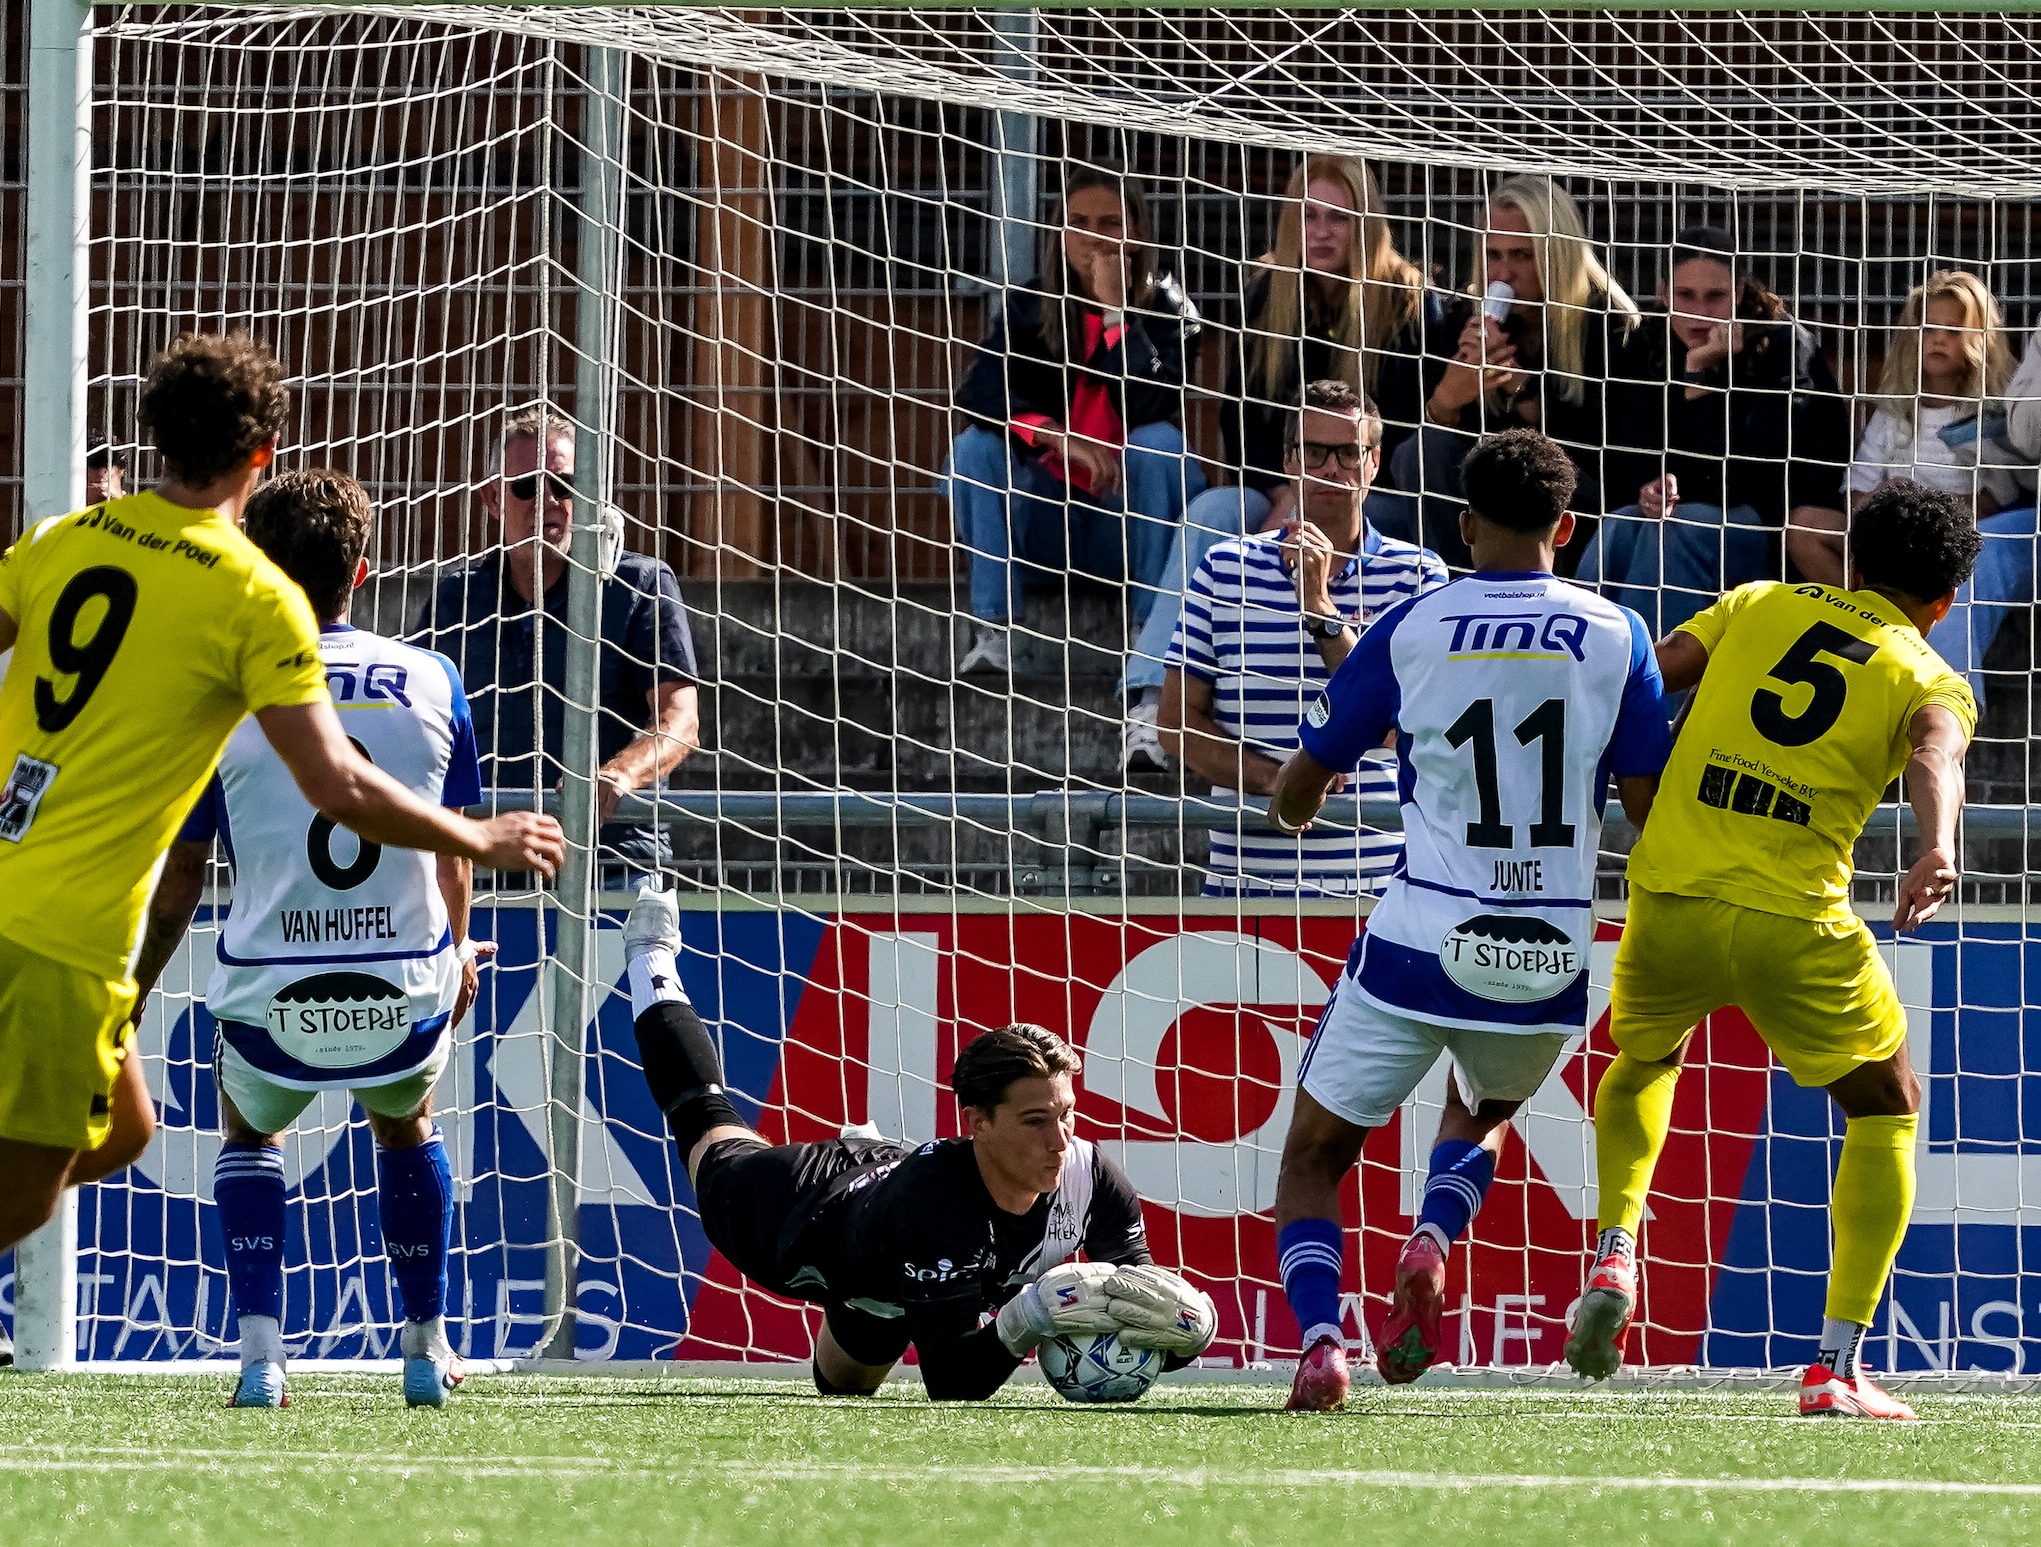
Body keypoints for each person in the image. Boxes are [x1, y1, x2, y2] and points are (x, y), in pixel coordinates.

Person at [0, 335, 565, 1448]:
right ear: (263, 452)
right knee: (14, 1200)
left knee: (121, 1131)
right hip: (62, 928)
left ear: (157, 440)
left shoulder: (66, 537)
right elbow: (338, 783)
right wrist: (478, 834)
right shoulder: (255, 594)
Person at [1262, 430, 1670, 1410]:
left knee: (1314, 1155)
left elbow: (1302, 786)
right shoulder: (1617, 634)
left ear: (1463, 525)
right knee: (1483, 1107)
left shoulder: (1413, 625)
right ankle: (1434, 1239)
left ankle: (1322, 1341)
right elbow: (1650, 807)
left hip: (1416, 939)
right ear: (1566, 529)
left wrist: (1292, 804)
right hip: (1547, 948)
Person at [1570, 479, 1980, 1423]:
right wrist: (1938, 845)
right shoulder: (1925, 670)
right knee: (1888, 1102)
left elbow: (1644, 670)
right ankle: (1835, 1362)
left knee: (1643, 1059)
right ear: (1947, 601)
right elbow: (1935, 751)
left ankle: (1618, 1244)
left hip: (1669, 890)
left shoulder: (1757, 601)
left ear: (1854, 562)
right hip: (1795, 918)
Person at [129, 468, 496, 1411]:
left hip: (269, 1005)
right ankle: (426, 1349)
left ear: (260, 566)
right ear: (363, 571)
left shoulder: (224, 694)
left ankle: (262, 1362)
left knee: (248, 1128)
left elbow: (180, 882)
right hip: (403, 996)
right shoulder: (433, 676)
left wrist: (130, 990)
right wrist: (458, 951)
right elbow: (453, 857)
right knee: (404, 1120)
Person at [622, 879, 1217, 1398]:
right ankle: (651, 955)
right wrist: (1031, 1314)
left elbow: (1143, 1305)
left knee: (844, 1387)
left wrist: (1189, 1323)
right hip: (804, 1214)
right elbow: (952, 1382)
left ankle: (877, 1282)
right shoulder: (933, 1207)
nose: (1061, 1140)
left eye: (1066, 1115)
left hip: (896, 1258)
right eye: (1035, 1121)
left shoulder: (1093, 1179)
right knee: (702, 1118)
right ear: (976, 1122)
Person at [1119, 156, 1435, 769]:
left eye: (1339, 218)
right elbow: (1241, 428)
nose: (1322, 231)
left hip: (1373, 489)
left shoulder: (1409, 302)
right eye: (1310, 216)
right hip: (1277, 480)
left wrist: (1324, 481)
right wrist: (1290, 490)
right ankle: (1151, 704)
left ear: (1367, 224)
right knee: (1213, 507)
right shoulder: (1264, 290)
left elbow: (1401, 435)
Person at [1154, 381, 1446, 893]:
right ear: (1289, 460)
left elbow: (1417, 726)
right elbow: (1177, 725)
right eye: (1314, 451)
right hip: (1244, 885)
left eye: (1349, 454)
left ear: (1374, 463)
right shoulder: (1225, 567)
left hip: (1381, 890)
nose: (1331, 468)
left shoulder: (1417, 575)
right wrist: (1281, 779)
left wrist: (1322, 612)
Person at [411, 403, 700, 880]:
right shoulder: (454, 601)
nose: (546, 499)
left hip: (616, 866)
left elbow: (681, 721)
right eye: (525, 486)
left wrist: (619, 774)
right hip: (490, 873)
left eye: (563, 484)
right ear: (492, 500)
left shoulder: (637, 585)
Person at [948, 164, 1204, 683]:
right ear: (1060, 233)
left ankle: (1148, 639)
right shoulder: (1028, 304)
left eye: (1111, 223)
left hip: (1124, 526)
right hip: (1046, 516)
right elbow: (978, 393)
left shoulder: (1172, 309)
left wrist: (1115, 313)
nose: (1093, 237)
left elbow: (1155, 399)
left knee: (1161, 445)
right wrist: (1055, 436)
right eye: (1079, 222)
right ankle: (992, 629)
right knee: (973, 450)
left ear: (1136, 233)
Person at [1582, 227, 1853, 635]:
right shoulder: (1644, 345)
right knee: (1621, 523)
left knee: (1685, 527)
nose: (1699, 312)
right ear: (1665, 293)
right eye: (1685, 296)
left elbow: (1748, 479)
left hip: (1772, 527)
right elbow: (1622, 452)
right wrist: (1649, 485)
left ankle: (1655, 685)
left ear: (1739, 293)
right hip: (1684, 513)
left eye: (1715, 297)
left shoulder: (1783, 345)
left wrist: (1699, 378)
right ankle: (1575, 664)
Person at [1801, 272, 2033, 715]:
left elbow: (1999, 495)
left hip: (1950, 542)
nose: (1938, 340)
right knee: (1804, 528)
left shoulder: (1989, 413)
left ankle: (1942, 688)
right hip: (1887, 535)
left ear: (1979, 339)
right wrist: (1882, 505)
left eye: (1953, 331)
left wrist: (1934, 517)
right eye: (1929, 329)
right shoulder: (1894, 412)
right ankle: (1861, 624)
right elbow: (1857, 488)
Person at [1391, 175, 1650, 571]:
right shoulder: (1466, 316)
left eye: (1522, 256)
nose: (1504, 273)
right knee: (1423, 451)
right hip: (1487, 487)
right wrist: (1446, 401)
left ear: (1557, 254)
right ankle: (1452, 590)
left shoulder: (1611, 324)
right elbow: (1412, 454)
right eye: (1493, 255)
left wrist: (1522, 390)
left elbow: (1613, 459)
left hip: (1575, 494)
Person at [0, 439, 128, 781]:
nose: (90, 521)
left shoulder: (155, 597)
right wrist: (70, 754)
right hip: (32, 819)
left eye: (103, 504)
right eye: (74, 507)